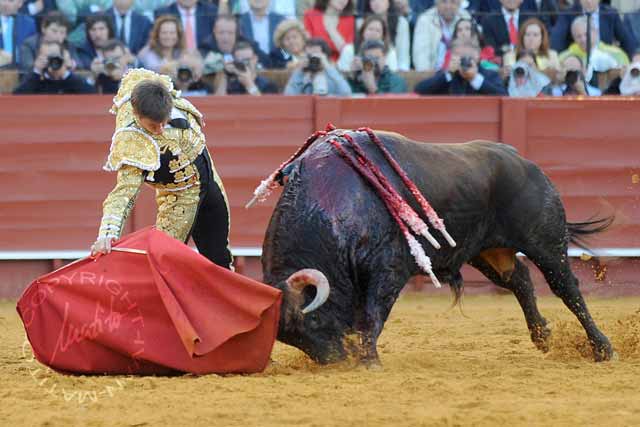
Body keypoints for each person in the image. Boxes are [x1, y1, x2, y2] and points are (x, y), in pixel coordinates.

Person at [91, 68, 233, 269]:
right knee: (165, 265)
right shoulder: (132, 140)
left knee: (220, 258)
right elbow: (123, 193)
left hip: (210, 181)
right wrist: (107, 233)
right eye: (152, 125)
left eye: (163, 122)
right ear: (137, 114)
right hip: (178, 199)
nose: (160, 130)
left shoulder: (154, 88)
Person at [415, 39, 507, 95]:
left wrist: (475, 79)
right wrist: (448, 75)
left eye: (469, 56)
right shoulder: (446, 75)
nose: (464, 61)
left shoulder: (489, 75)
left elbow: (504, 96)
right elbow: (419, 90)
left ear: (478, 56)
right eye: (459, 56)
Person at [550, 0, 636, 58]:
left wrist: (629, 58)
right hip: (578, 59)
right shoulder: (568, 14)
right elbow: (557, 40)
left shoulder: (610, 14)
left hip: (605, 60)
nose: (588, 1)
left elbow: (627, 41)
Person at [14, 41, 96, 93]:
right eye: (47, 57)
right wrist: (37, 71)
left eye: (54, 57)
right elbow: (17, 96)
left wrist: (65, 74)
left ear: (62, 57)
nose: (51, 61)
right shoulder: (35, 79)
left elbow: (91, 94)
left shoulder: (72, 80)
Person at [412, 0, 470, 72]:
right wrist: (428, 77)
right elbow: (420, 57)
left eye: (453, 2)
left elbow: (471, 50)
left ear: (459, 4)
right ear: (436, 3)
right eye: (444, 1)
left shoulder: (466, 17)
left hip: (459, 74)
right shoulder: (425, 19)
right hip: (432, 74)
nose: (448, 6)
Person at [284, 37, 352, 95]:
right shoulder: (301, 78)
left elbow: (346, 93)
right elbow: (288, 96)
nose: (312, 59)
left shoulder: (332, 78)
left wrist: (327, 66)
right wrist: (299, 71)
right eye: (309, 56)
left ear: (325, 57)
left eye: (316, 55)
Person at [503, 17, 561, 82]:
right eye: (527, 35)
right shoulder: (510, 56)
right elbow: (508, 79)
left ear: (542, 38)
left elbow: (558, 79)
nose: (531, 39)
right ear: (522, 37)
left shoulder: (552, 55)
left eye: (535, 35)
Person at [213, 40, 278, 94]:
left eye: (247, 60)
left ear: (255, 59)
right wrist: (225, 75)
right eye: (240, 61)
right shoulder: (230, 86)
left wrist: (249, 84)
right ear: (234, 62)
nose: (244, 64)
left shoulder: (268, 85)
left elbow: (265, 106)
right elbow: (217, 105)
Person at [362, 0, 410, 71]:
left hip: (393, 68)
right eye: (372, 0)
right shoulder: (361, 22)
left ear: (389, 2)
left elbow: (403, 56)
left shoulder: (401, 23)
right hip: (365, 67)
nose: (377, 2)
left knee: (391, 54)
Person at [238, 0, 285, 64]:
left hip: (277, 69)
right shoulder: (239, 21)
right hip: (247, 67)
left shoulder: (281, 20)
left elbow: (286, 48)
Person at [0, 0, 37, 67]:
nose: (5, 3)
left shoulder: (29, 23)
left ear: (20, 3)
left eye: (10, 1)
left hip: (21, 70)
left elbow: (31, 51)